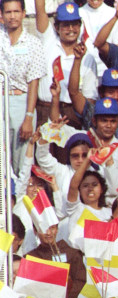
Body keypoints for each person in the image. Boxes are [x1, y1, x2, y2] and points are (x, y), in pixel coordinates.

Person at [1, 0, 45, 172]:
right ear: (2, 15)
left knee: (22, 162)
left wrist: (28, 116)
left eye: (16, 11)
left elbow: (33, 82)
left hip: (21, 102)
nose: (12, 16)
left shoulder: (33, 43)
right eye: (8, 12)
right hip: (0, 99)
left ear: (24, 13)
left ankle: (19, 198)